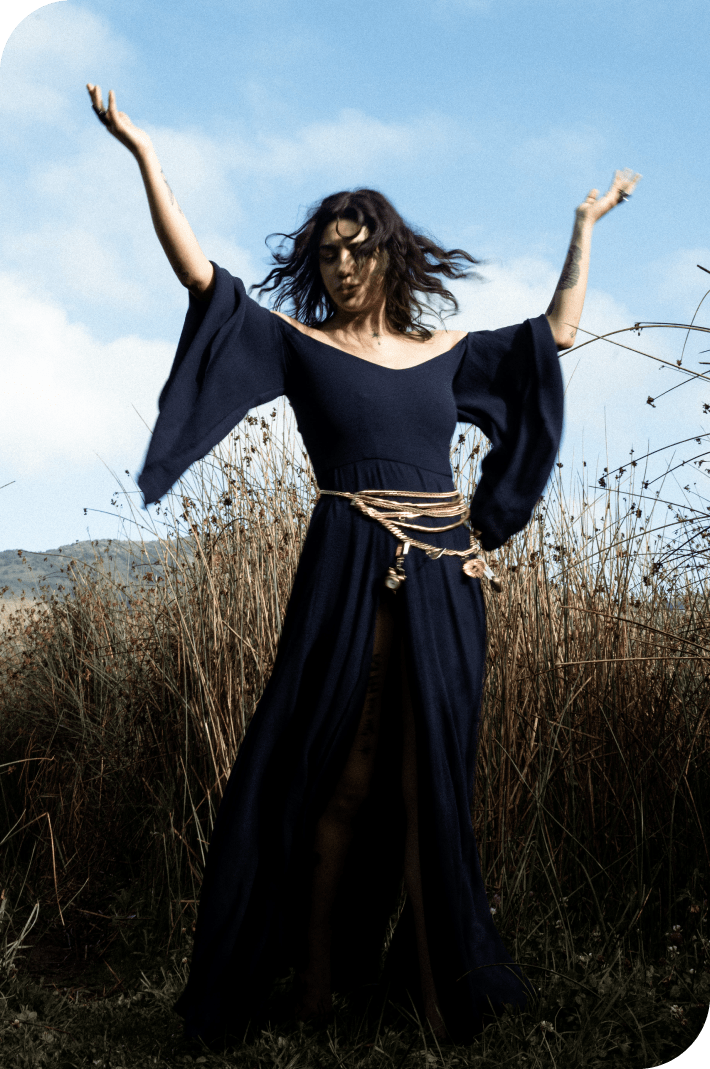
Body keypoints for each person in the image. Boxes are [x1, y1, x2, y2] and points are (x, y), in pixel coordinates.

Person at [86, 84, 640, 1044]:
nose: (343, 266)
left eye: (359, 249)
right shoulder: (299, 345)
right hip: (347, 568)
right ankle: (309, 988)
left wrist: (583, 227)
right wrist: (145, 155)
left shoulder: (445, 352)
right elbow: (201, 279)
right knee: (336, 778)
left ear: (390, 255)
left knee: (429, 787)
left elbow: (552, 337)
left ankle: (432, 995)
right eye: (329, 253)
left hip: (445, 578)